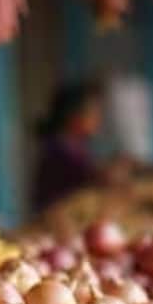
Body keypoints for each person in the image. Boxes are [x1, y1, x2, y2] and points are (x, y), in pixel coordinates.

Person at [32, 80, 107, 212]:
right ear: (74, 116)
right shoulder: (59, 151)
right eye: (93, 113)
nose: (98, 119)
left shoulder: (76, 147)